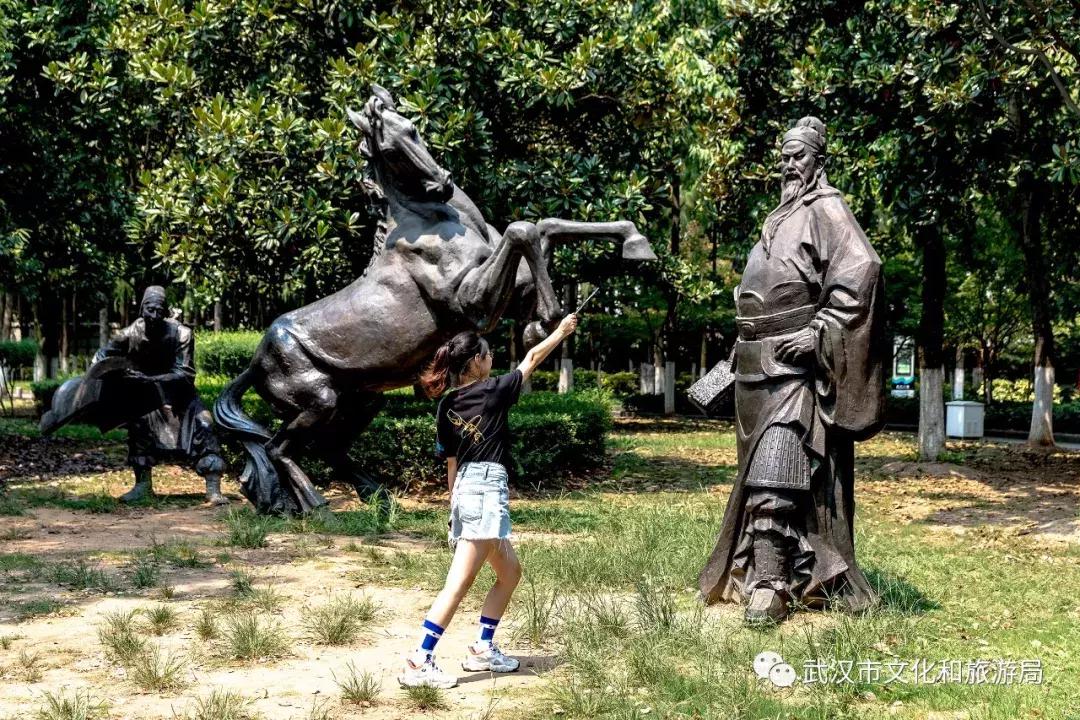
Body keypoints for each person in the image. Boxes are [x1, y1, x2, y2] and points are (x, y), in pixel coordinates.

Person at [698, 116, 885, 625]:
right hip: (755, 366)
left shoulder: (827, 208)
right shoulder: (781, 215)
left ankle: (773, 584)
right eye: (783, 155)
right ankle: (758, 571)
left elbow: (862, 268)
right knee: (756, 476)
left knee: (777, 472)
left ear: (818, 160)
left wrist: (823, 328)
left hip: (796, 368)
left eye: (797, 155)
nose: (787, 163)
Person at [398, 313, 579, 689]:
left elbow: (451, 463)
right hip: (482, 489)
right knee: (459, 582)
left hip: (468, 489)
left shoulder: (446, 405)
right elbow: (531, 361)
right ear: (475, 363)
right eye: (487, 353)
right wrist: (561, 332)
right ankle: (420, 659)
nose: (492, 358)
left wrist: (453, 507)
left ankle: (483, 647)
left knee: (510, 572)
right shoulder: (493, 390)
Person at [93, 286, 228, 505]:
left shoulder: (182, 333)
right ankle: (142, 485)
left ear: (165, 311)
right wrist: (99, 367)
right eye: (149, 309)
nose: (154, 315)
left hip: (181, 398)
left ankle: (213, 488)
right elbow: (104, 354)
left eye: (158, 310)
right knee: (138, 426)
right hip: (148, 399)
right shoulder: (129, 333)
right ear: (142, 309)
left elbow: (185, 374)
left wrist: (150, 379)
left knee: (205, 424)